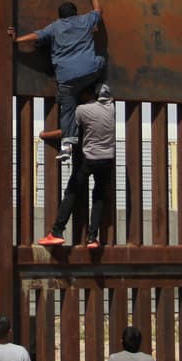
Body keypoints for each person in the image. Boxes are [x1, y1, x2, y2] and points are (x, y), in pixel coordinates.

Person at [8, 0, 104, 164]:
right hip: (90, 72)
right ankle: (99, 94)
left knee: (67, 110)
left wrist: (16, 40)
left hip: (67, 79)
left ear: (60, 16)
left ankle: (67, 145)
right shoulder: (85, 20)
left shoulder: (55, 27)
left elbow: (36, 35)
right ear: (75, 13)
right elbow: (98, 10)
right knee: (100, 60)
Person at [37, 83, 116, 248]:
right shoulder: (111, 108)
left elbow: (67, 132)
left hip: (89, 159)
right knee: (98, 197)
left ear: (87, 95)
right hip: (107, 159)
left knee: (71, 192)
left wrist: (44, 135)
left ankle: (57, 232)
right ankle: (92, 238)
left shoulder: (82, 111)